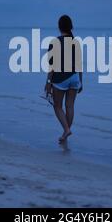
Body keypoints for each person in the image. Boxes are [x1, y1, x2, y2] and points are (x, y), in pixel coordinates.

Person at [44, 15, 83, 143]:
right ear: (71, 26)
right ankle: (66, 133)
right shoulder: (76, 42)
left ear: (59, 27)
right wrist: (81, 81)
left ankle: (66, 130)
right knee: (70, 106)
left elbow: (52, 65)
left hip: (60, 79)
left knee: (57, 106)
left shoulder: (54, 42)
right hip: (75, 77)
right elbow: (79, 64)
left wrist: (48, 83)